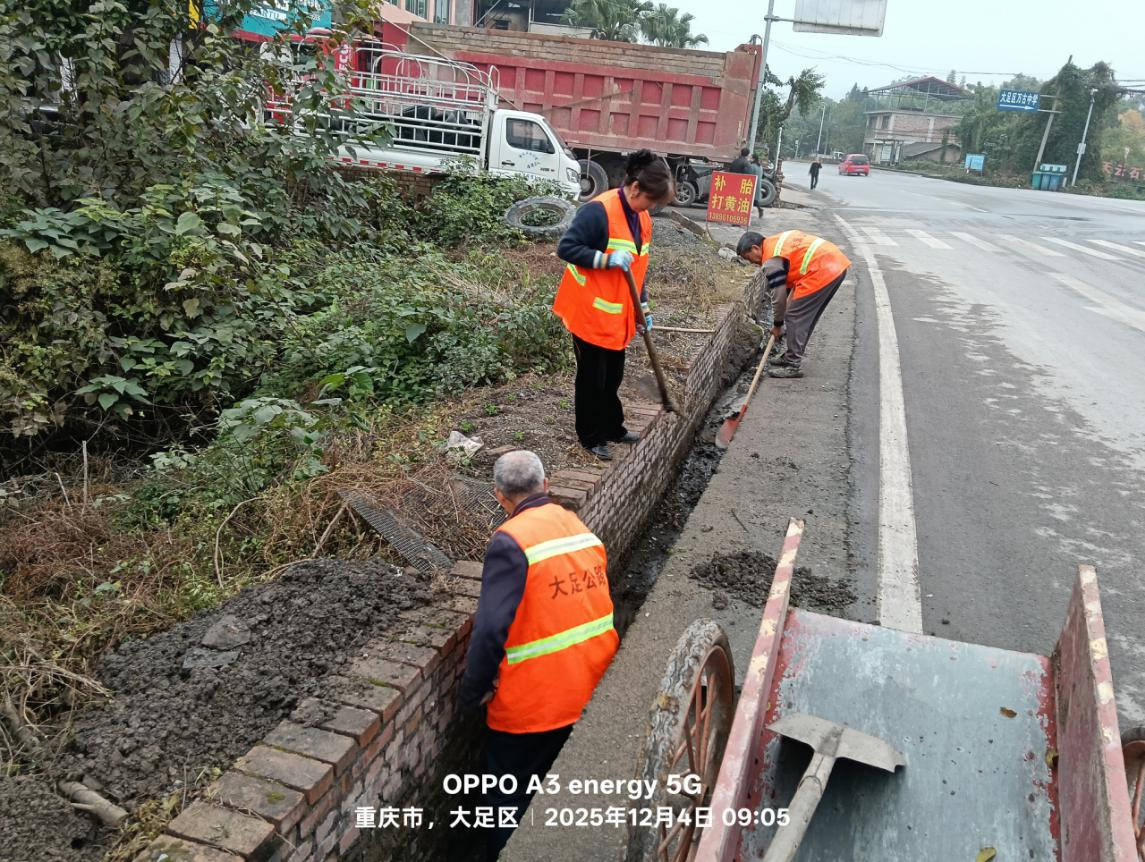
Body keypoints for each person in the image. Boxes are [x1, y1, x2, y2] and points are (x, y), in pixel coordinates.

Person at [460, 450, 619, 860]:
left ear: (500, 497)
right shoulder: (577, 527)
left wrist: (471, 692)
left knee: (503, 798)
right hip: (592, 684)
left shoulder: (511, 541)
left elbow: (491, 628)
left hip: (535, 704)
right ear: (545, 485)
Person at [553, 150, 675, 460]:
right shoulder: (598, 212)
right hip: (588, 311)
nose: (652, 207)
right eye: (651, 199)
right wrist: (604, 260)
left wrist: (643, 307)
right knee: (592, 379)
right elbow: (566, 248)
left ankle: (612, 426)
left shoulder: (642, 218)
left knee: (613, 376)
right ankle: (590, 435)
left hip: (616, 314)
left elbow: (638, 269)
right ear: (635, 188)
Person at [735, 230, 851, 379]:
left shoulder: (771, 261)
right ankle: (791, 355)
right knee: (802, 315)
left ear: (755, 248)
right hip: (833, 264)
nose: (752, 262)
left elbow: (778, 297)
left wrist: (777, 325)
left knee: (795, 315)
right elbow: (787, 285)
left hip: (822, 269)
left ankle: (792, 364)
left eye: (748, 257)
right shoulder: (774, 244)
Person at [748, 153, 766, 219]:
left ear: (753, 159)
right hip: (758, 184)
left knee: (750, 199)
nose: (749, 158)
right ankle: (760, 209)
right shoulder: (760, 166)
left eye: (750, 157)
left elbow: (748, 174)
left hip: (751, 184)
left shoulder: (751, 166)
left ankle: (750, 212)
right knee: (755, 200)